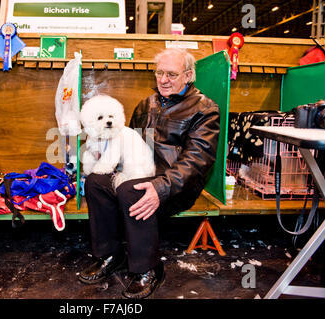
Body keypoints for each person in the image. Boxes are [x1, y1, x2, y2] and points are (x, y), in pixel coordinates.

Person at [77, 48, 220, 299]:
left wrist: (161, 186)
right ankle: (111, 254)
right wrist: (103, 155)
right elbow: (125, 140)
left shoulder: (205, 109)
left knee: (132, 190)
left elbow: (197, 160)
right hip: (140, 172)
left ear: (188, 75)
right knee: (95, 181)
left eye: (172, 74)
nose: (163, 79)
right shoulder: (146, 104)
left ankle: (148, 269)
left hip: (177, 186)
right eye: (159, 73)